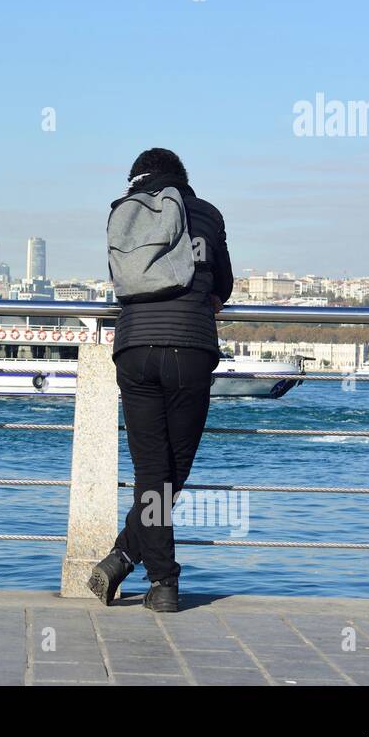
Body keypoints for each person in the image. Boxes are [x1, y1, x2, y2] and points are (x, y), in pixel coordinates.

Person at [89, 148, 233, 613]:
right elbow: (223, 284)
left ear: (136, 179)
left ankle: (130, 560)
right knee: (175, 471)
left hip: (135, 349)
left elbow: (121, 276)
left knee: (153, 472)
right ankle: (159, 579)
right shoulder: (207, 214)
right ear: (182, 178)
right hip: (190, 346)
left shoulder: (123, 213)